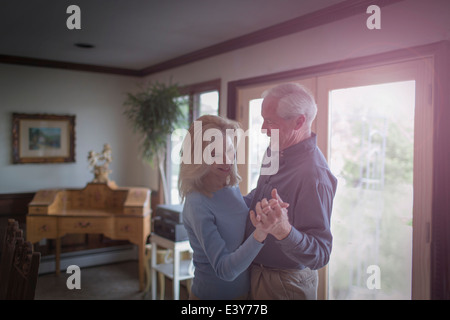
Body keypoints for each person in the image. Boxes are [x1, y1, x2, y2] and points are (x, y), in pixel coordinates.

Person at [244, 83, 338, 300]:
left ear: (299, 121)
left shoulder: (315, 176)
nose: (262, 129)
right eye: (262, 119)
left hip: (284, 285)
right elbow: (258, 195)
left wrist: (284, 230)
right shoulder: (275, 150)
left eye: (270, 121)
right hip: (253, 271)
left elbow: (321, 254)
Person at [179, 114, 274, 300]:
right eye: (214, 154)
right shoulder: (197, 202)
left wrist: (268, 187)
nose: (226, 160)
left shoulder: (228, 184)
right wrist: (260, 233)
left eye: (229, 150)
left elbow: (236, 211)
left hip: (245, 294)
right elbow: (225, 270)